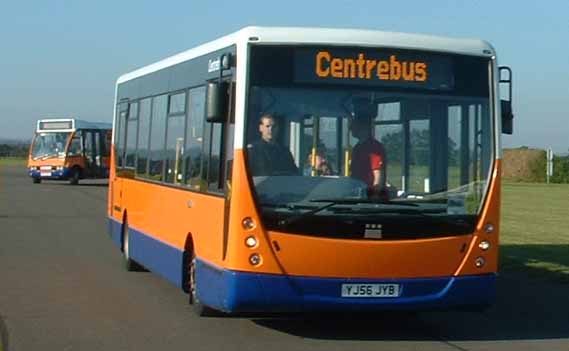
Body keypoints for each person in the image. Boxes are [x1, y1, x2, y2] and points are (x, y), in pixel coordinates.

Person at [350, 116, 387, 196]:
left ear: (364, 127)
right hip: (357, 193)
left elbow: (378, 176)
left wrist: (374, 195)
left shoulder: (373, 147)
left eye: (354, 125)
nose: (351, 128)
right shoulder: (357, 147)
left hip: (367, 197)